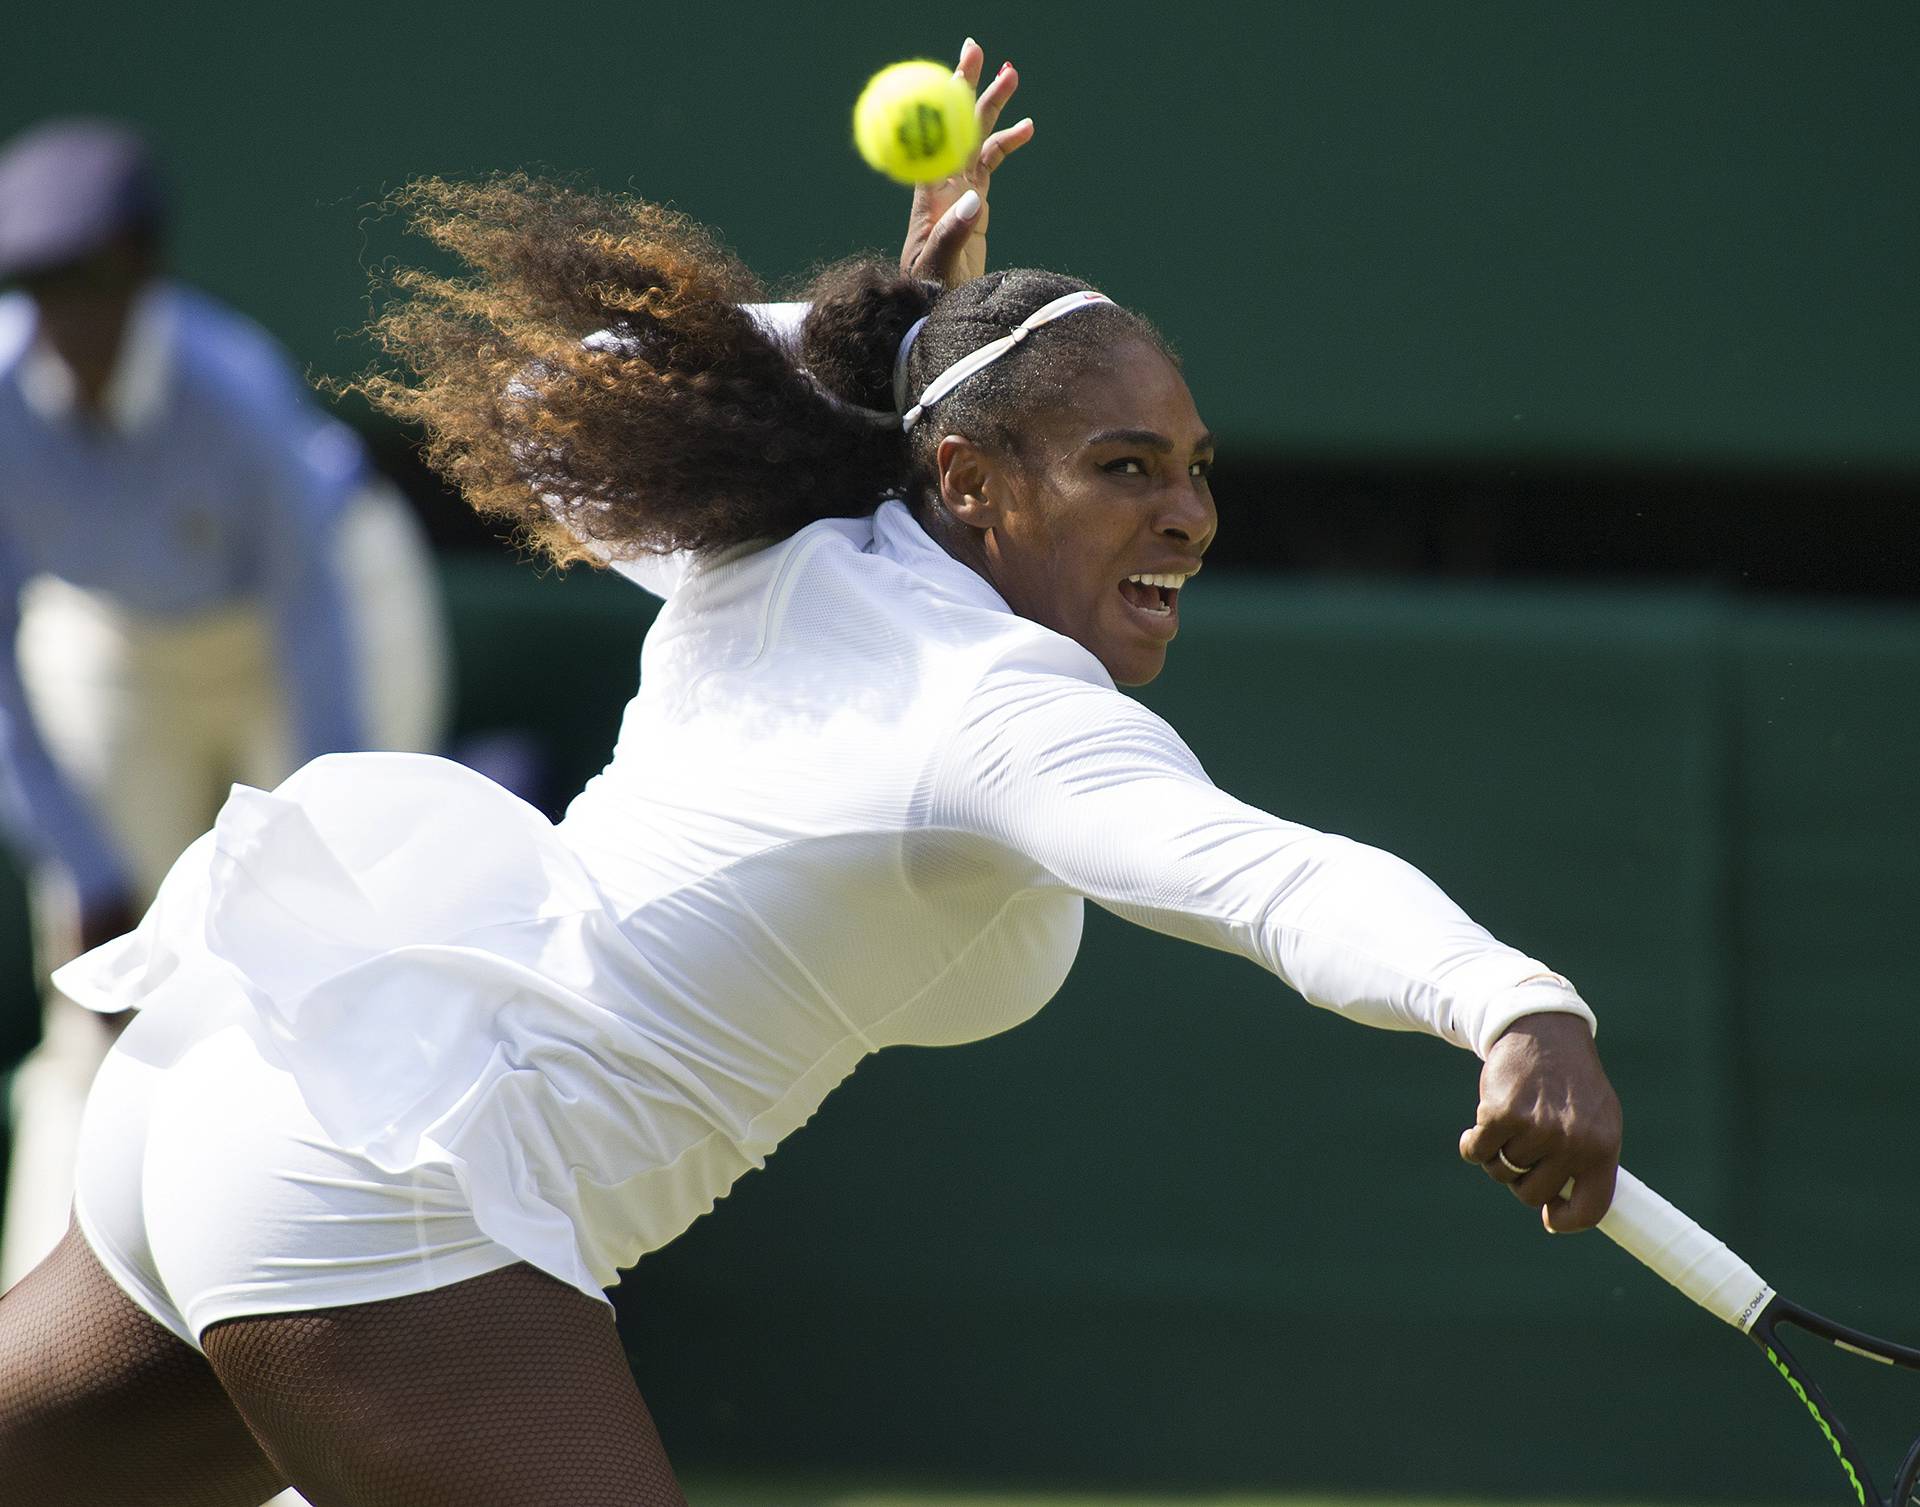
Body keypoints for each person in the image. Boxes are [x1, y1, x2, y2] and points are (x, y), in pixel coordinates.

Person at [0, 42, 1620, 1507]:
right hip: (400, 1177)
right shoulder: (1004, 705)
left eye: (1195, 470)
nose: (1188, 515)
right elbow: (1269, 879)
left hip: (234, 1083)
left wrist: (871, 355)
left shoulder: (785, 530)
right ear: (971, 482)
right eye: (1127, 469)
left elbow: (544, 400)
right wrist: (1514, 1001)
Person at [0, 118, 451, 1289]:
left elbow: (315, 635)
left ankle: (334, 1322)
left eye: (87, 278)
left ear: (144, 266)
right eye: (32, 284)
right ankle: (39, 1357)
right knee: (85, 1001)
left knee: (328, 964)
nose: (64, 315)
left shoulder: (234, 395)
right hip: (116, 638)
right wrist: (84, 864)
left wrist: (312, 839)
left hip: (322, 613)